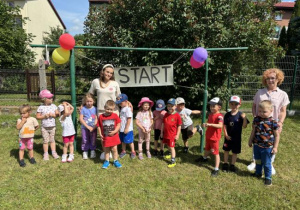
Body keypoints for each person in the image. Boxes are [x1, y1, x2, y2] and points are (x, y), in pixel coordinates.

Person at [248, 68, 290, 174]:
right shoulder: (260, 92)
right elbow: (254, 106)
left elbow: (283, 111)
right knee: (257, 140)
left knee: (271, 143)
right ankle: (255, 161)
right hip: (259, 124)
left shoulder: (283, 94)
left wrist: (280, 123)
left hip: (273, 124)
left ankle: (270, 163)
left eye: (273, 78)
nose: (270, 80)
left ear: (278, 79)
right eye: (268, 78)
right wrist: (254, 118)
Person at [248, 100, 280, 186]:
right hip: (257, 145)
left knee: (267, 163)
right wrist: (250, 140)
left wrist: (275, 147)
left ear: (271, 111)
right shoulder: (256, 120)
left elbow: (277, 136)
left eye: (264, 111)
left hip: (267, 147)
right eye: (260, 111)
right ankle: (258, 173)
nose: (261, 113)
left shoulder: (273, 122)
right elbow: (253, 130)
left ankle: (268, 178)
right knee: (258, 161)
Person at [197, 97, 224, 177]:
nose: (211, 107)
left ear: (219, 107)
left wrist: (210, 124)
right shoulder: (211, 114)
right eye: (210, 106)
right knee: (207, 148)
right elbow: (210, 123)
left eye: (213, 106)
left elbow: (220, 125)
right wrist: (206, 125)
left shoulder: (220, 116)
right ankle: (204, 158)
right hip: (208, 136)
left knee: (215, 153)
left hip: (214, 138)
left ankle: (216, 169)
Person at [222, 96, 249, 173]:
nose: (234, 106)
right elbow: (224, 125)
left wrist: (244, 118)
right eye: (232, 104)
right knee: (226, 150)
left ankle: (232, 165)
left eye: (236, 104)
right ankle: (225, 164)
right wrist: (226, 135)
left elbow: (244, 126)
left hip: (237, 138)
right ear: (229, 104)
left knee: (235, 152)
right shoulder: (227, 115)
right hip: (228, 137)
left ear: (239, 105)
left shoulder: (241, 115)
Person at [97, 100, 122, 169]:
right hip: (106, 137)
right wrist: (99, 133)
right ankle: (106, 161)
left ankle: (115, 161)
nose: (109, 111)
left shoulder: (115, 116)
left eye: (111, 109)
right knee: (106, 150)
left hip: (114, 136)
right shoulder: (101, 116)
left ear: (113, 109)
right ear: (104, 108)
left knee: (114, 149)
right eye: (108, 109)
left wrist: (115, 131)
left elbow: (119, 124)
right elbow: (98, 125)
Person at [36, 89, 60, 160]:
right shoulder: (41, 107)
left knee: (52, 140)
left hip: (52, 127)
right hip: (44, 127)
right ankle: (45, 153)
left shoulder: (54, 106)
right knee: (45, 141)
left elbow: (57, 114)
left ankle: (53, 152)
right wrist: (44, 116)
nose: (51, 99)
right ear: (44, 99)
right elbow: (37, 116)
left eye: (51, 97)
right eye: (49, 98)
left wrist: (54, 115)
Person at [161, 98, 182, 168]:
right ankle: (170, 154)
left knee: (172, 147)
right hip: (166, 134)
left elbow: (179, 126)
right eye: (168, 106)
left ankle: (173, 161)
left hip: (172, 135)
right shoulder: (166, 114)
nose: (170, 108)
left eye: (171, 106)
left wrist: (177, 135)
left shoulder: (177, 116)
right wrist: (161, 133)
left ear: (175, 106)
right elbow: (163, 124)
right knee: (168, 145)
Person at [116, 94, 136, 159]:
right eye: (119, 103)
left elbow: (129, 119)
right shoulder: (122, 108)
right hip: (122, 128)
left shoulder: (128, 109)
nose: (119, 104)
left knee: (130, 141)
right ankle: (123, 151)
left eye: (121, 103)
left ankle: (133, 151)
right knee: (123, 141)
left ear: (125, 101)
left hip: (128, 129)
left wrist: (126, 128)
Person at [79, 93, 98, 160]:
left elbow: (96, 118)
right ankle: (85, 151)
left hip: (93, 128)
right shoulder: (83, 109)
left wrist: (94, 127)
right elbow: (81, 119)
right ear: (85, 101)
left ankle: (92, 150)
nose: (89, 103)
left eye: (90, 101)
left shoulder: (95, 109)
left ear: (93, 101)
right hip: (85, 127)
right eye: (87, 101)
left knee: (93, 139)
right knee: (85, 139)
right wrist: (87, 126)